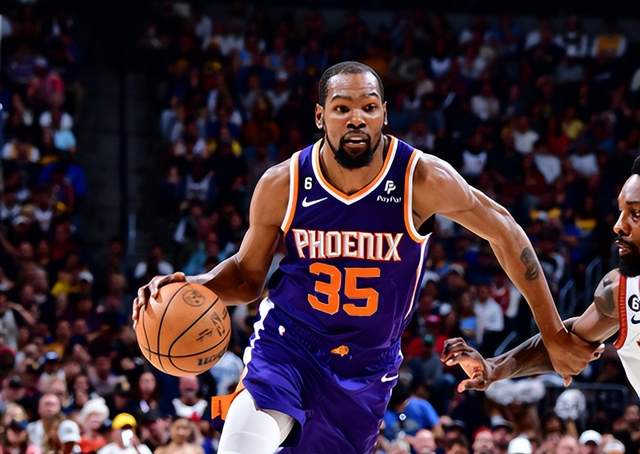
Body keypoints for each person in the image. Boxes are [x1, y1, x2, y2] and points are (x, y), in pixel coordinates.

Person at [133, 61, 597, 454]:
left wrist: (553, 333)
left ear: (384, 114)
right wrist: (193, 286)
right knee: (242, 444)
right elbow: (247, 276)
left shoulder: (421, 178)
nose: (357, 118)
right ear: (320, 116)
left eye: (369, 108)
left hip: (366, 369)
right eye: (342, 108)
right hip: (288, 346)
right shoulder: (283, 183)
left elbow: (506, 232)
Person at [441, 156, 640, 396]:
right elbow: (565, 346)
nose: (619, 226)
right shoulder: (620, 290)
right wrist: (493, 368)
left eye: (636, 213)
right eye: (621, 211)